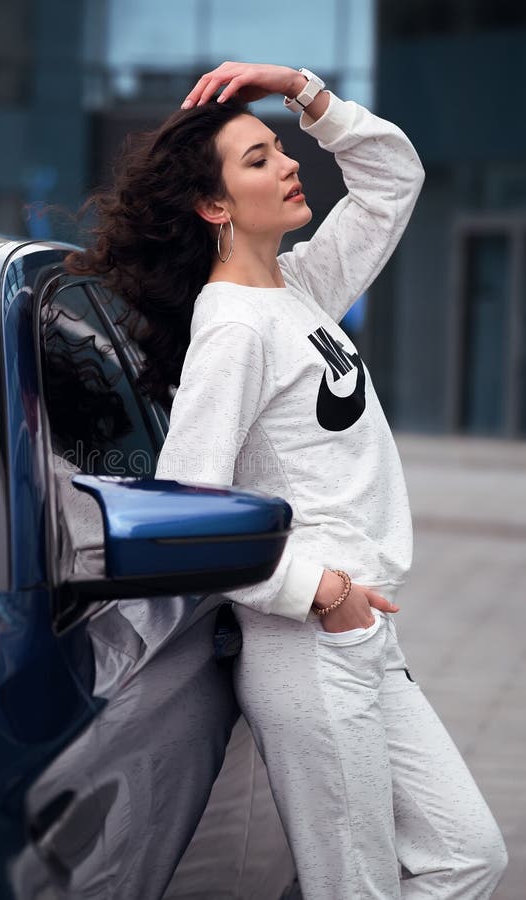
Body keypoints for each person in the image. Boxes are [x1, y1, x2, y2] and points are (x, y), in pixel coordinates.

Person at [70, 61, 507, 899]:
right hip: (309, 642)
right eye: (261, 159)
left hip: (362, 638)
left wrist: (299, 88)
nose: (290, 163)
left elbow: (392, 180)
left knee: (467, 855)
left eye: (280, 149)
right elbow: (182, 513)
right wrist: (319, 588)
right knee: (358, 887)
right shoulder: (232, 328)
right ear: (215, 206)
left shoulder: (298, 290)